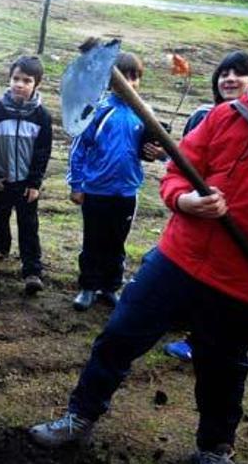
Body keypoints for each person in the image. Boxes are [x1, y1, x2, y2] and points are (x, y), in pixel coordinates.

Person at [30, 11, 248, 464]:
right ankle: (80, 415)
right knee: (118, 336)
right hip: (177, 259)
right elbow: (176, 173)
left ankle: (213, 449)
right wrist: (183, 202)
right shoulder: (228, 116)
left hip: (246, 284)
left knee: (221, 371)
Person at [164, 50, 248, 362]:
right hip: (192, 213)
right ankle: (179, 318)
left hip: (234, 222)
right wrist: (184, 196)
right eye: (224, 74)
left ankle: (197, 338)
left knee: (216, 289)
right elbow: (181, 162)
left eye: (238, 74)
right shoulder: (203, 115)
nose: (229, 80)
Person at [67, 52, 166, 312]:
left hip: (126, 192)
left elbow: (158, 148)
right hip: (96, 190)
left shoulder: (144, 114)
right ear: (110, 81)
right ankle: (88, 287)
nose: (130, 84)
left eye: (135, 78)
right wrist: (76, 184)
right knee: (93, 241)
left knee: (116, 242)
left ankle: (109, 287)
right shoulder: (98, 110)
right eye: (124, 78)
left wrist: (158, 152)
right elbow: (79, 148)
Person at [0, 55, 53, 295]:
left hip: (25, 183)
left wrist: (35, 183)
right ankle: (0, 246)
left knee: (28, 224)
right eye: (16, 79)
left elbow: (43, 152)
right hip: (2, 179)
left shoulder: (42, 116)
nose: (19, 84)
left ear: (36, 84)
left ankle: (32, 270)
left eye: (27, 80)